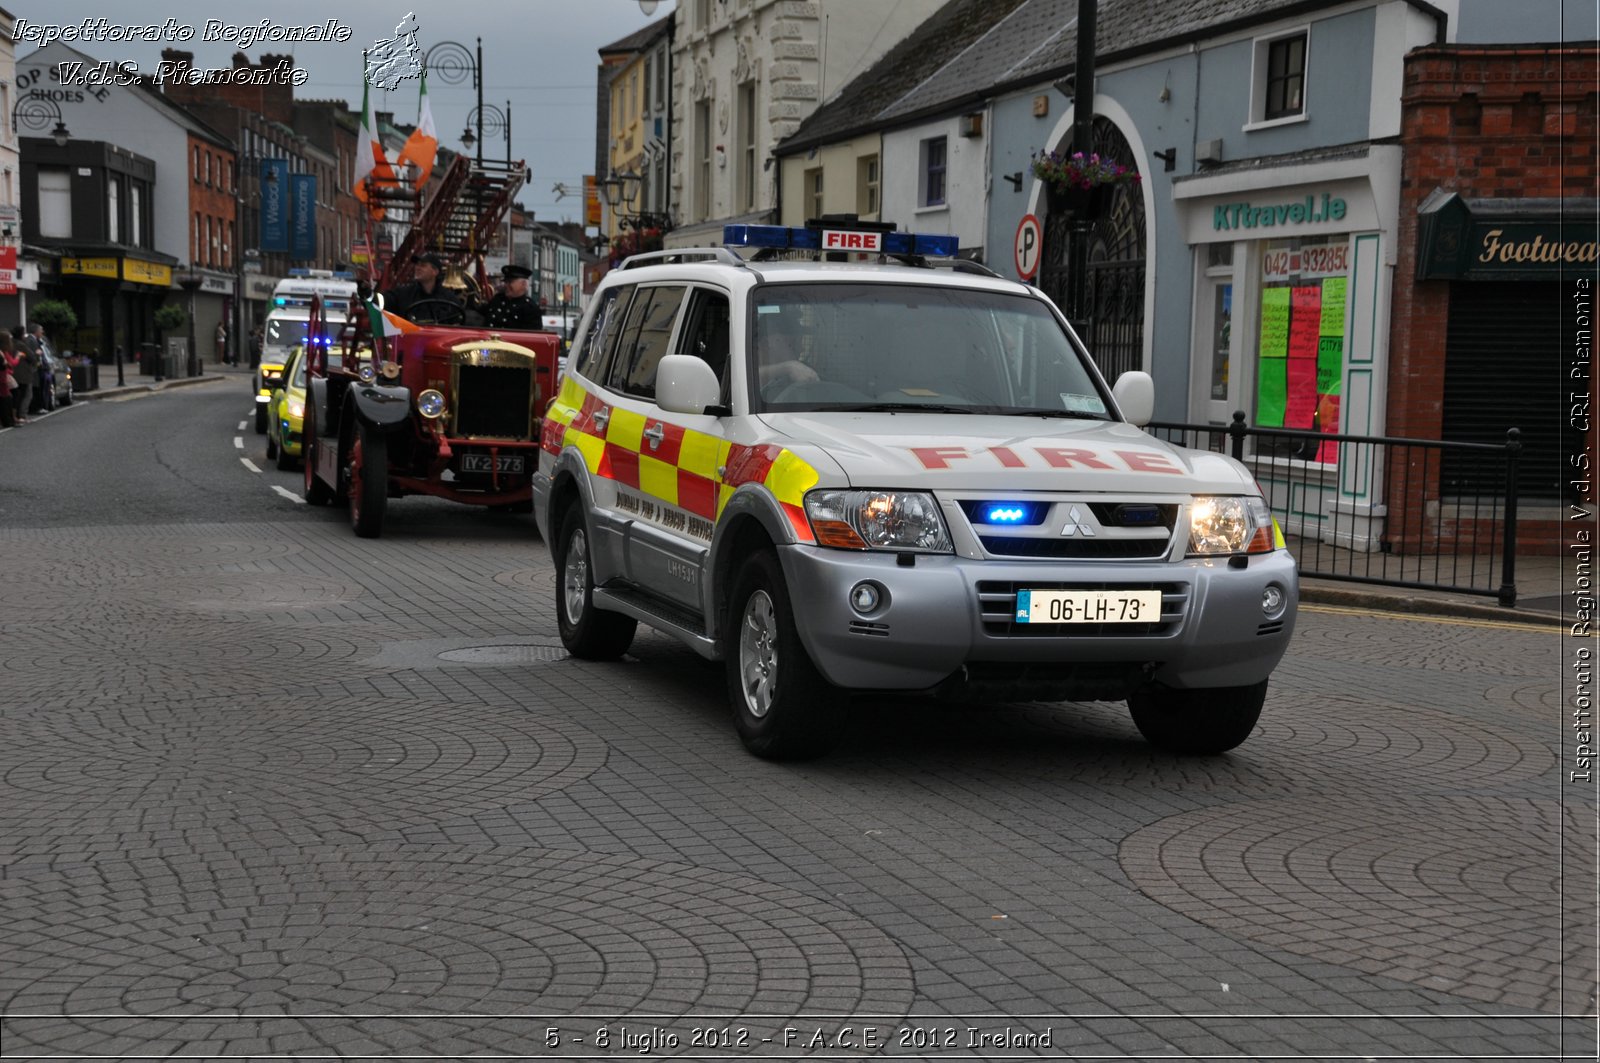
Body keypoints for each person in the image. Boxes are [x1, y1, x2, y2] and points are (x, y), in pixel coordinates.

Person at [382, 251, 462, 323]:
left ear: (435, 272)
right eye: (417, 265)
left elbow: (460, 322)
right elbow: (382, 300)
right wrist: (371, 295)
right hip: (411, 338)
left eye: (423, 265)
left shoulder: (449, 300)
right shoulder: (403, 294)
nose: (417, 268)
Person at [482, 264, 541, 330]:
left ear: (523, 284)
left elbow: (532, 336)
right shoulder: (497, 300)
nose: (506, 285)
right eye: (506, 282)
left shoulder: (530, 307)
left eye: (510, 282)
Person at [10, 323, 37, 422]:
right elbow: (32, 357)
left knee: (15, 395)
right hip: (24, 374)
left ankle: (14, 415)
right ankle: (22, 415)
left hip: (11, 373)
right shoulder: (21, 345)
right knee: (26, 395)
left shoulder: (9, 344)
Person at [0, 331, 19, 429]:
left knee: (7, 397)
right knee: (6, 398)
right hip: (2, 377)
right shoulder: (2, 352)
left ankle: (9, 420)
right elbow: (6, 363)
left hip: (3, 376)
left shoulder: (3, 352)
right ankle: (8, 420)